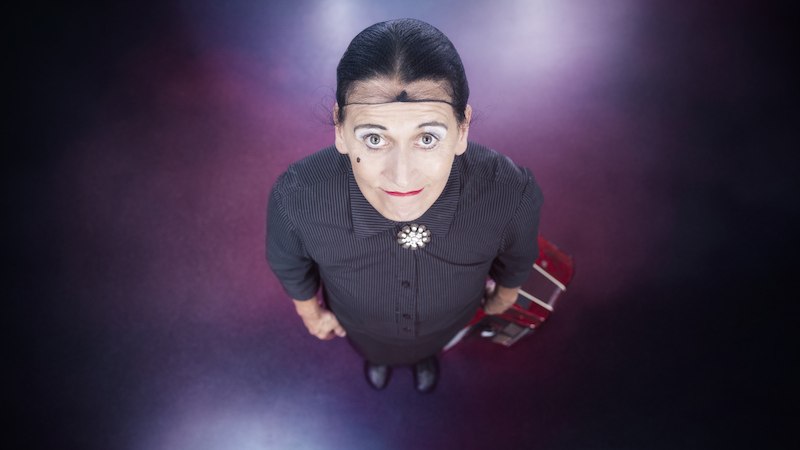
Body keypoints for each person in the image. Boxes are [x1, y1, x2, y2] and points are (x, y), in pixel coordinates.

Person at [267, 18, 542, 393]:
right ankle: (377, 358)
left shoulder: (511, 192)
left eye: (427, 138)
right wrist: (309, 311)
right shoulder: (296, 197)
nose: (401, 177)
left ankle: (425, 356)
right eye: (374, 138)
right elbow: (288, 263)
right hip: (362, 325)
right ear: (340, 129)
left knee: (434, 344)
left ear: (462, 130)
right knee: (373, 348)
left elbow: (518, 256)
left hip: (449, 321)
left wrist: (506, 296)